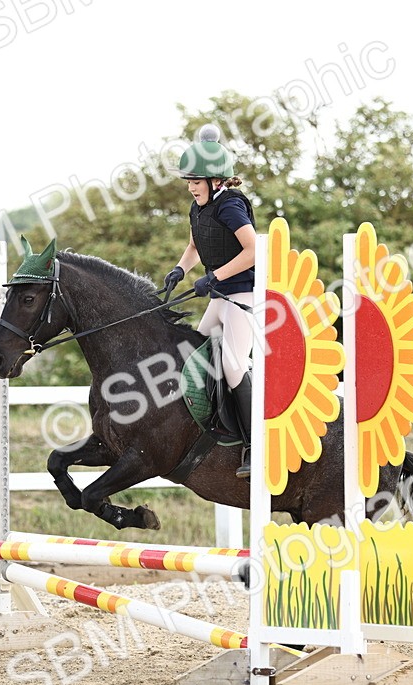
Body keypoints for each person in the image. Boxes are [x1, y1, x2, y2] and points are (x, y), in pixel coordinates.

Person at [163, 124, 257, 479]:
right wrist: (179, 269)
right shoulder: (198, 207)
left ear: (215, 180)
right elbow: (193, 248)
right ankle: (213, 430)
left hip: (244, 297)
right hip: (220, 297)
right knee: (193, 357)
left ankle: (253, 444)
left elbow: (253, 250)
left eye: (195, 181)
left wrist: (214, 276)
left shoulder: (230, 207)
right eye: (189, 181)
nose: (190, 187)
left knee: (233, 366)